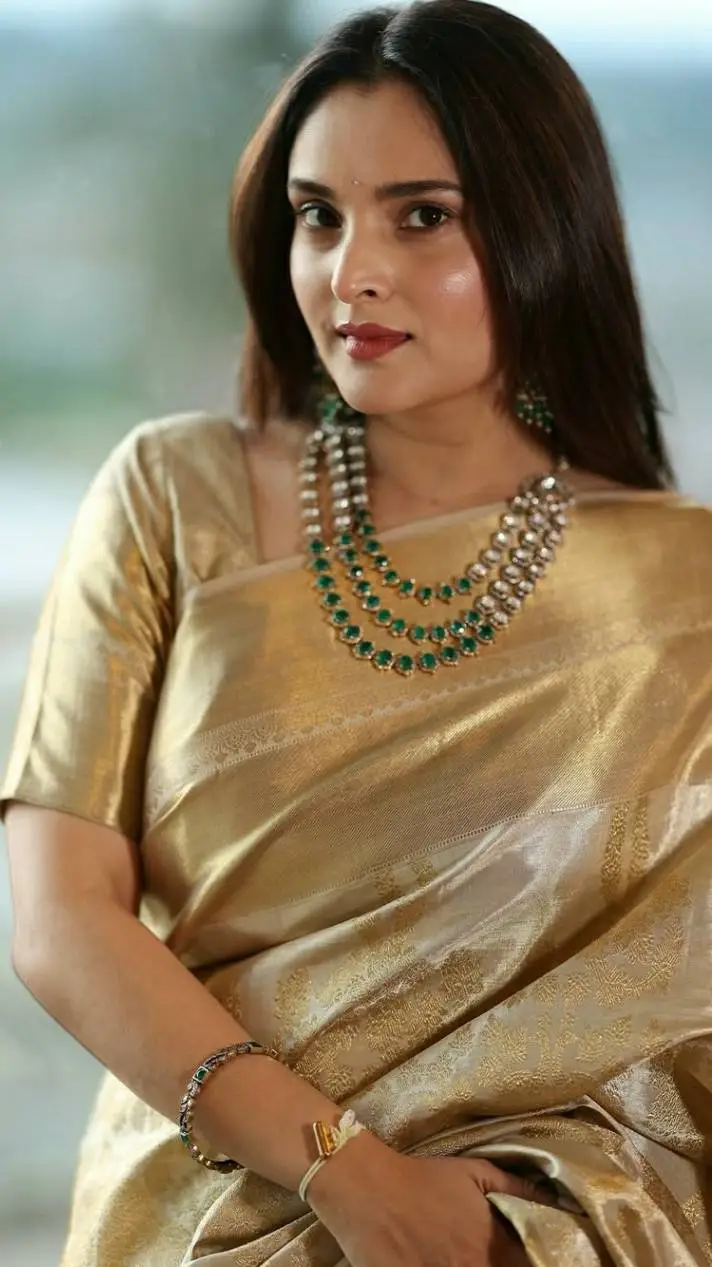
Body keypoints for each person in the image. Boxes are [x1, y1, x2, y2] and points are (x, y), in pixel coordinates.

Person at [3, 0, 711, 1263]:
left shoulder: (682, 586)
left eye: (420, 216)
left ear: (544, 226)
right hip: (198, 1222)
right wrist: (346, 1170)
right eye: (318, 215)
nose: (350, 270)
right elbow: (58, 916)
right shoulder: (176, 497)